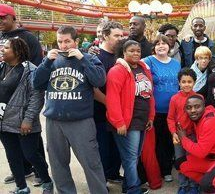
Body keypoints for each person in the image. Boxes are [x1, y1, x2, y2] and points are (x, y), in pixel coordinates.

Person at [32, 26, 108, 194]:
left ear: (76, 41)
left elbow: (99, 80)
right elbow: (36, 83)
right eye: (60, 41)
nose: (64, 45)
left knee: (91, 163)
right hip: (54, 121)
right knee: (57, 164)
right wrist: (46, 62)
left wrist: (83, 59)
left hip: (81, 121)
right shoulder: (51, 61)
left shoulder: (89, 58)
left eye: (67, 41)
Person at [0, 3, 46, 186]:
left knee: (31, 142)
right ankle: (21, 171)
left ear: (13, 17)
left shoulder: (28, 37)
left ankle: (40, 173)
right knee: (11, 144)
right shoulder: (1, 36)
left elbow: (36, 69)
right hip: (5, 97)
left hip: (24, 95)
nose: (0, 21)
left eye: (3, 17)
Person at [0, 37, 53, 194]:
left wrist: (28, 119)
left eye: (7, 47)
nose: (3, 49)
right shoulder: (2, 67)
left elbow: (37, 97)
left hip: (24, 122)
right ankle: (21, 187)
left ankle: (47, 182)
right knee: (13, 156)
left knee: (31, 155)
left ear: (17, 51)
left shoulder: (31, 70)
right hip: (3, 121)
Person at [106, 40, 155, 194]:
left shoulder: (143, 68)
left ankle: (128, 186)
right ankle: (133, 189)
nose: (135, 53)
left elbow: (149, 94)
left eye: (138, 51)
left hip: (142, 119)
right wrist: (119, 122)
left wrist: (151, 116)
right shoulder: (117, 71)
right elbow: (112, 98)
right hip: (127, 122)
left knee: (134, 156)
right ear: (124, 52)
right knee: (131, 157)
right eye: (131, 51)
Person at [143, 34, 181, 182]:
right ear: (154, 47)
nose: (161, 46)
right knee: (156, 142)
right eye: (157, 43)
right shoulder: (149, 61)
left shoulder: (176, 63)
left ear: (169, 46)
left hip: (173, 110)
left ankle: (167, 170)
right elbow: (130, 63)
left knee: (170, 140)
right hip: (156, 110)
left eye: (164, 43)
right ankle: (157, 171)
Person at [92, 21, 124, 183]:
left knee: (116, 149)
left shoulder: (121, 56)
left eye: (121, 35)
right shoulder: (95, 57)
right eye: (116, 35)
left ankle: (113, 174)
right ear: (105, 36)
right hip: (100, 114)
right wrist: (111, 105)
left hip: (118, 115)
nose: (120, 38)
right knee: (102, 150)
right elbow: (93, 90)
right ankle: (101, 181)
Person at [167, 68, 198, 194]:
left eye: (189, 81)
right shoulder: (174, 99)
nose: (186, 84)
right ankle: (183, 185)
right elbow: (170, 118)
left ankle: (193, 184)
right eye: (183, 82)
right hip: (179, 137)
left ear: (194, 82)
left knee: (193, 161)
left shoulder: (198, 97)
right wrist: (174, 133)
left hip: (193, 136)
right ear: (179, 83)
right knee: (181, 161)